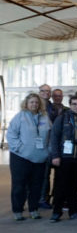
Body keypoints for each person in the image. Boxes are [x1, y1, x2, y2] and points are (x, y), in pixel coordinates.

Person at [8, 93, 52, 221]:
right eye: (31, 102)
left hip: (40, 158)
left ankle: (34, 209)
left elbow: (50, 135)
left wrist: (48, 151)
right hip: (21, 158)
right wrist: (20, 148)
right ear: (26, 104)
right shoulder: (19, 117)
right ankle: (18, 210)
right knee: (19, 186)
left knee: (36, 186)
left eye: (36, 102)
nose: (34, 104)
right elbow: (11, 135)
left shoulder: (44, 117)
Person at [49, 95, 77, 222]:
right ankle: (57, 212)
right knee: (60, 186)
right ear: (70, 105)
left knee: (75, 186)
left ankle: (74, 211)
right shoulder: (61, 119)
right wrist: (55, 155)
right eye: (74, 104)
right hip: (64, 158)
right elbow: (54, 138)